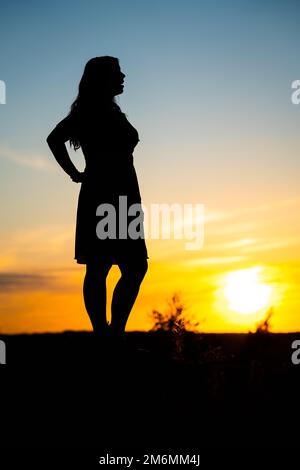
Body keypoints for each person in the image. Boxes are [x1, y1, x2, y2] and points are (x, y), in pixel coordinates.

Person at [47, 56, 148, 351]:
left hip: (126, 196)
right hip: (102, 193)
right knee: (101, 265)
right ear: (102, 78)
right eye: (118, 72)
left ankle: (114, 335)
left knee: (134, 267)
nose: (124, 76)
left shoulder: (113, 111)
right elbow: (55, 139)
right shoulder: (89, 110)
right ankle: (105, 338)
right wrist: (74, 173)